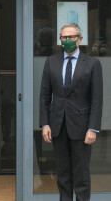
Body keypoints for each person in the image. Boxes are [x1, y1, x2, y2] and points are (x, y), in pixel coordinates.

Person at [39, 23, 103, 201]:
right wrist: (45, 123)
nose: (67, 40)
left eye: (71, 37)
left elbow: (97, 99)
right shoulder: (51, 62)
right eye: (64, 38)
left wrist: (93, 128)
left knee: (81, 176)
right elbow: (45, 95)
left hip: (82, 129)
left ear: (80, 39)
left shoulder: (92, 64)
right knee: (63, 175)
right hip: (58, 127)